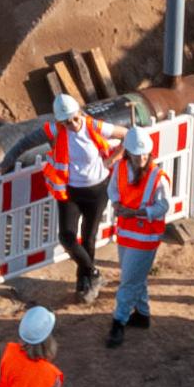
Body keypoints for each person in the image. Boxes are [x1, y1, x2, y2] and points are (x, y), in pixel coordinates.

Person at [45, 103, 114, 293]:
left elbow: (127, 135)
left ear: (80, 113)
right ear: (61, 122)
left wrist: (112, 159)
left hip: (97, 191)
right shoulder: (56, 131)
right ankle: (93, 273)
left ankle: (84, 284)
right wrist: (5, 163)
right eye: (68, 122)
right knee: (67, 237)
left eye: (76, 119)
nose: (74, 125)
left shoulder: (94, 126)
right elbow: (25, 142)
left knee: (88, 238)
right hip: (70, 193)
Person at [107, 147, 172, 345]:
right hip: (126, 234)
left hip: (146, 237)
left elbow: (163, 206)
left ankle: (119, 321)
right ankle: (142, 314)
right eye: (137, 154)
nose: (141, 158)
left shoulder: (157, 176)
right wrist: (116, 204)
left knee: (128, 281)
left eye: (144, 154)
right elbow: (113, 189)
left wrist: (136, 213)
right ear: (128, 153)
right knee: (135, 275)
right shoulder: (120, 167)